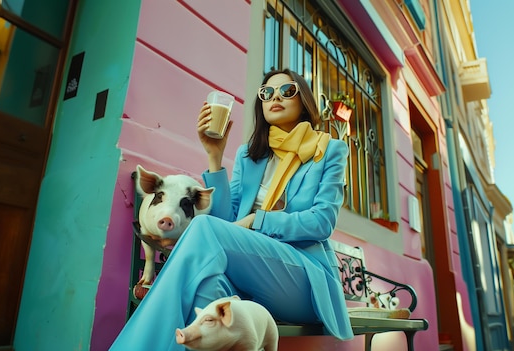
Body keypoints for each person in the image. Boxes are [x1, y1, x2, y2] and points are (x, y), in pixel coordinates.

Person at [110, 68, 353, 350]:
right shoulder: (249, 156)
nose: (276, 97)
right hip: (249, 276)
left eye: (287, 91)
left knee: (202, 228)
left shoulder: (330, 151)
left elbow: (321, 223)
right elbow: (226, 222)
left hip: (303, 280)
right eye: (267, 93)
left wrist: (257, 221)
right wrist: (215, 156)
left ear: (304, 102)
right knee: (208, 289)